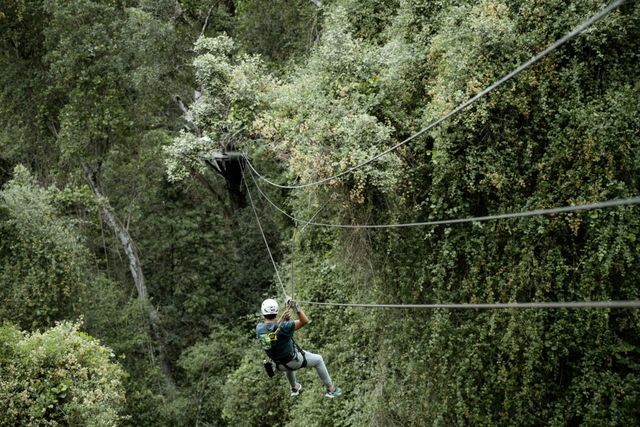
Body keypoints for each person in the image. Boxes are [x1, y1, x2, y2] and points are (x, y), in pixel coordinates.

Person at [256, 298, 342, 398]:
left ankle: (294, 387)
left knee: (286, 360)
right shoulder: (285, 327)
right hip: (294, 361)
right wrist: (297, 308)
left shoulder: (260, 328)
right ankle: (331, 389)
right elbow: (305, 321)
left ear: (263, 313)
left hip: (278, 365)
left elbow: (273, 330)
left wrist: (283, 318)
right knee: (318, 360)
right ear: (276, 311)